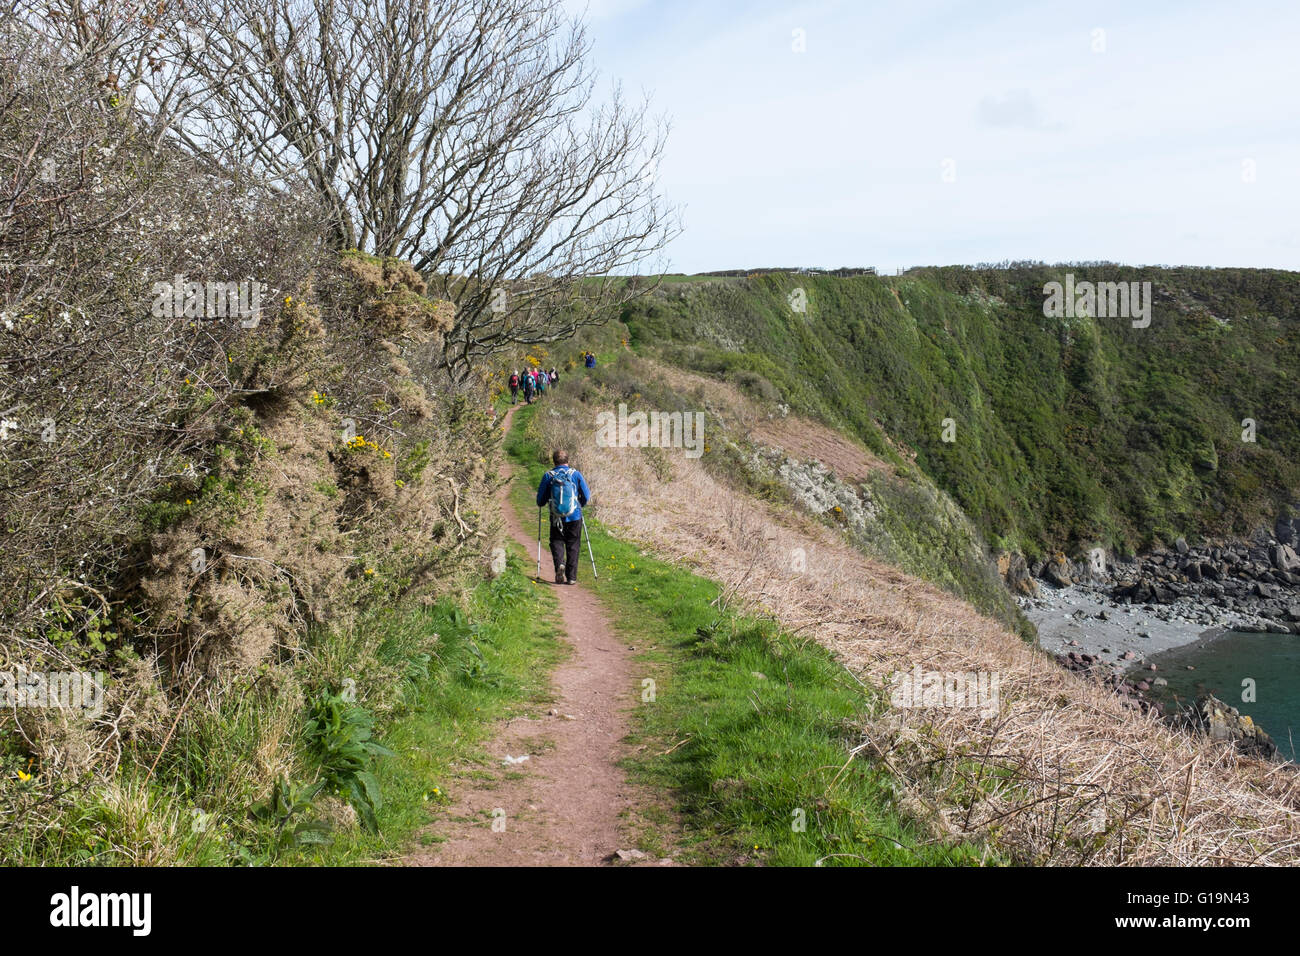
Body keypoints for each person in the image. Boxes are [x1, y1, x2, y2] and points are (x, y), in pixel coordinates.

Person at [537, 450, 590, 584]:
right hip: (574, 516)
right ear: (568, 461)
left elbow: (540, 500)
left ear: (553, 461)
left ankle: (560, 564)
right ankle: (571, 577)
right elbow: (586, 496)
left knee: (556, 541)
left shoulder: (548, 476)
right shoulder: (575, 474)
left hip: (556, 517)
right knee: (573, 544)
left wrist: (544, 502)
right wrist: (579, 505)